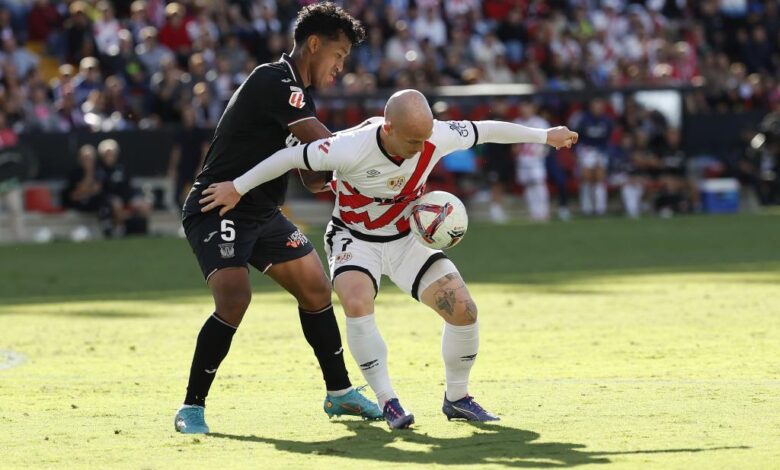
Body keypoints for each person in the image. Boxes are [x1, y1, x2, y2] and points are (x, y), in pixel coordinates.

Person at [199, 90, 578, 429]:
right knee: (357, 302)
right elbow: (288, 157)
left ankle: (458, 399)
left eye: (425, 136)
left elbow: (486, 129)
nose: (421, 146)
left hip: (406, 239)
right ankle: (388, 401)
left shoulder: (434, 136)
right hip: (354, 239)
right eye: (413, 139)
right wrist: (237, 187)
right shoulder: (349, 146)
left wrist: (545, 136)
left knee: (464, 310)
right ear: (388, 127)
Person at [175, 3, 379, 435]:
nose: (341, 66)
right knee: (234, 299)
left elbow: (311, 174)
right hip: (219, 205)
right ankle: (191, 407)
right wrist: (373, 151)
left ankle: (339, 393)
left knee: (316, 288)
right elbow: (324, 146)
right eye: (339, 55)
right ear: (314, 44)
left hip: (261, 210)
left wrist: (331, 173)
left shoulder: (300, 96)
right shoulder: (274, 79)